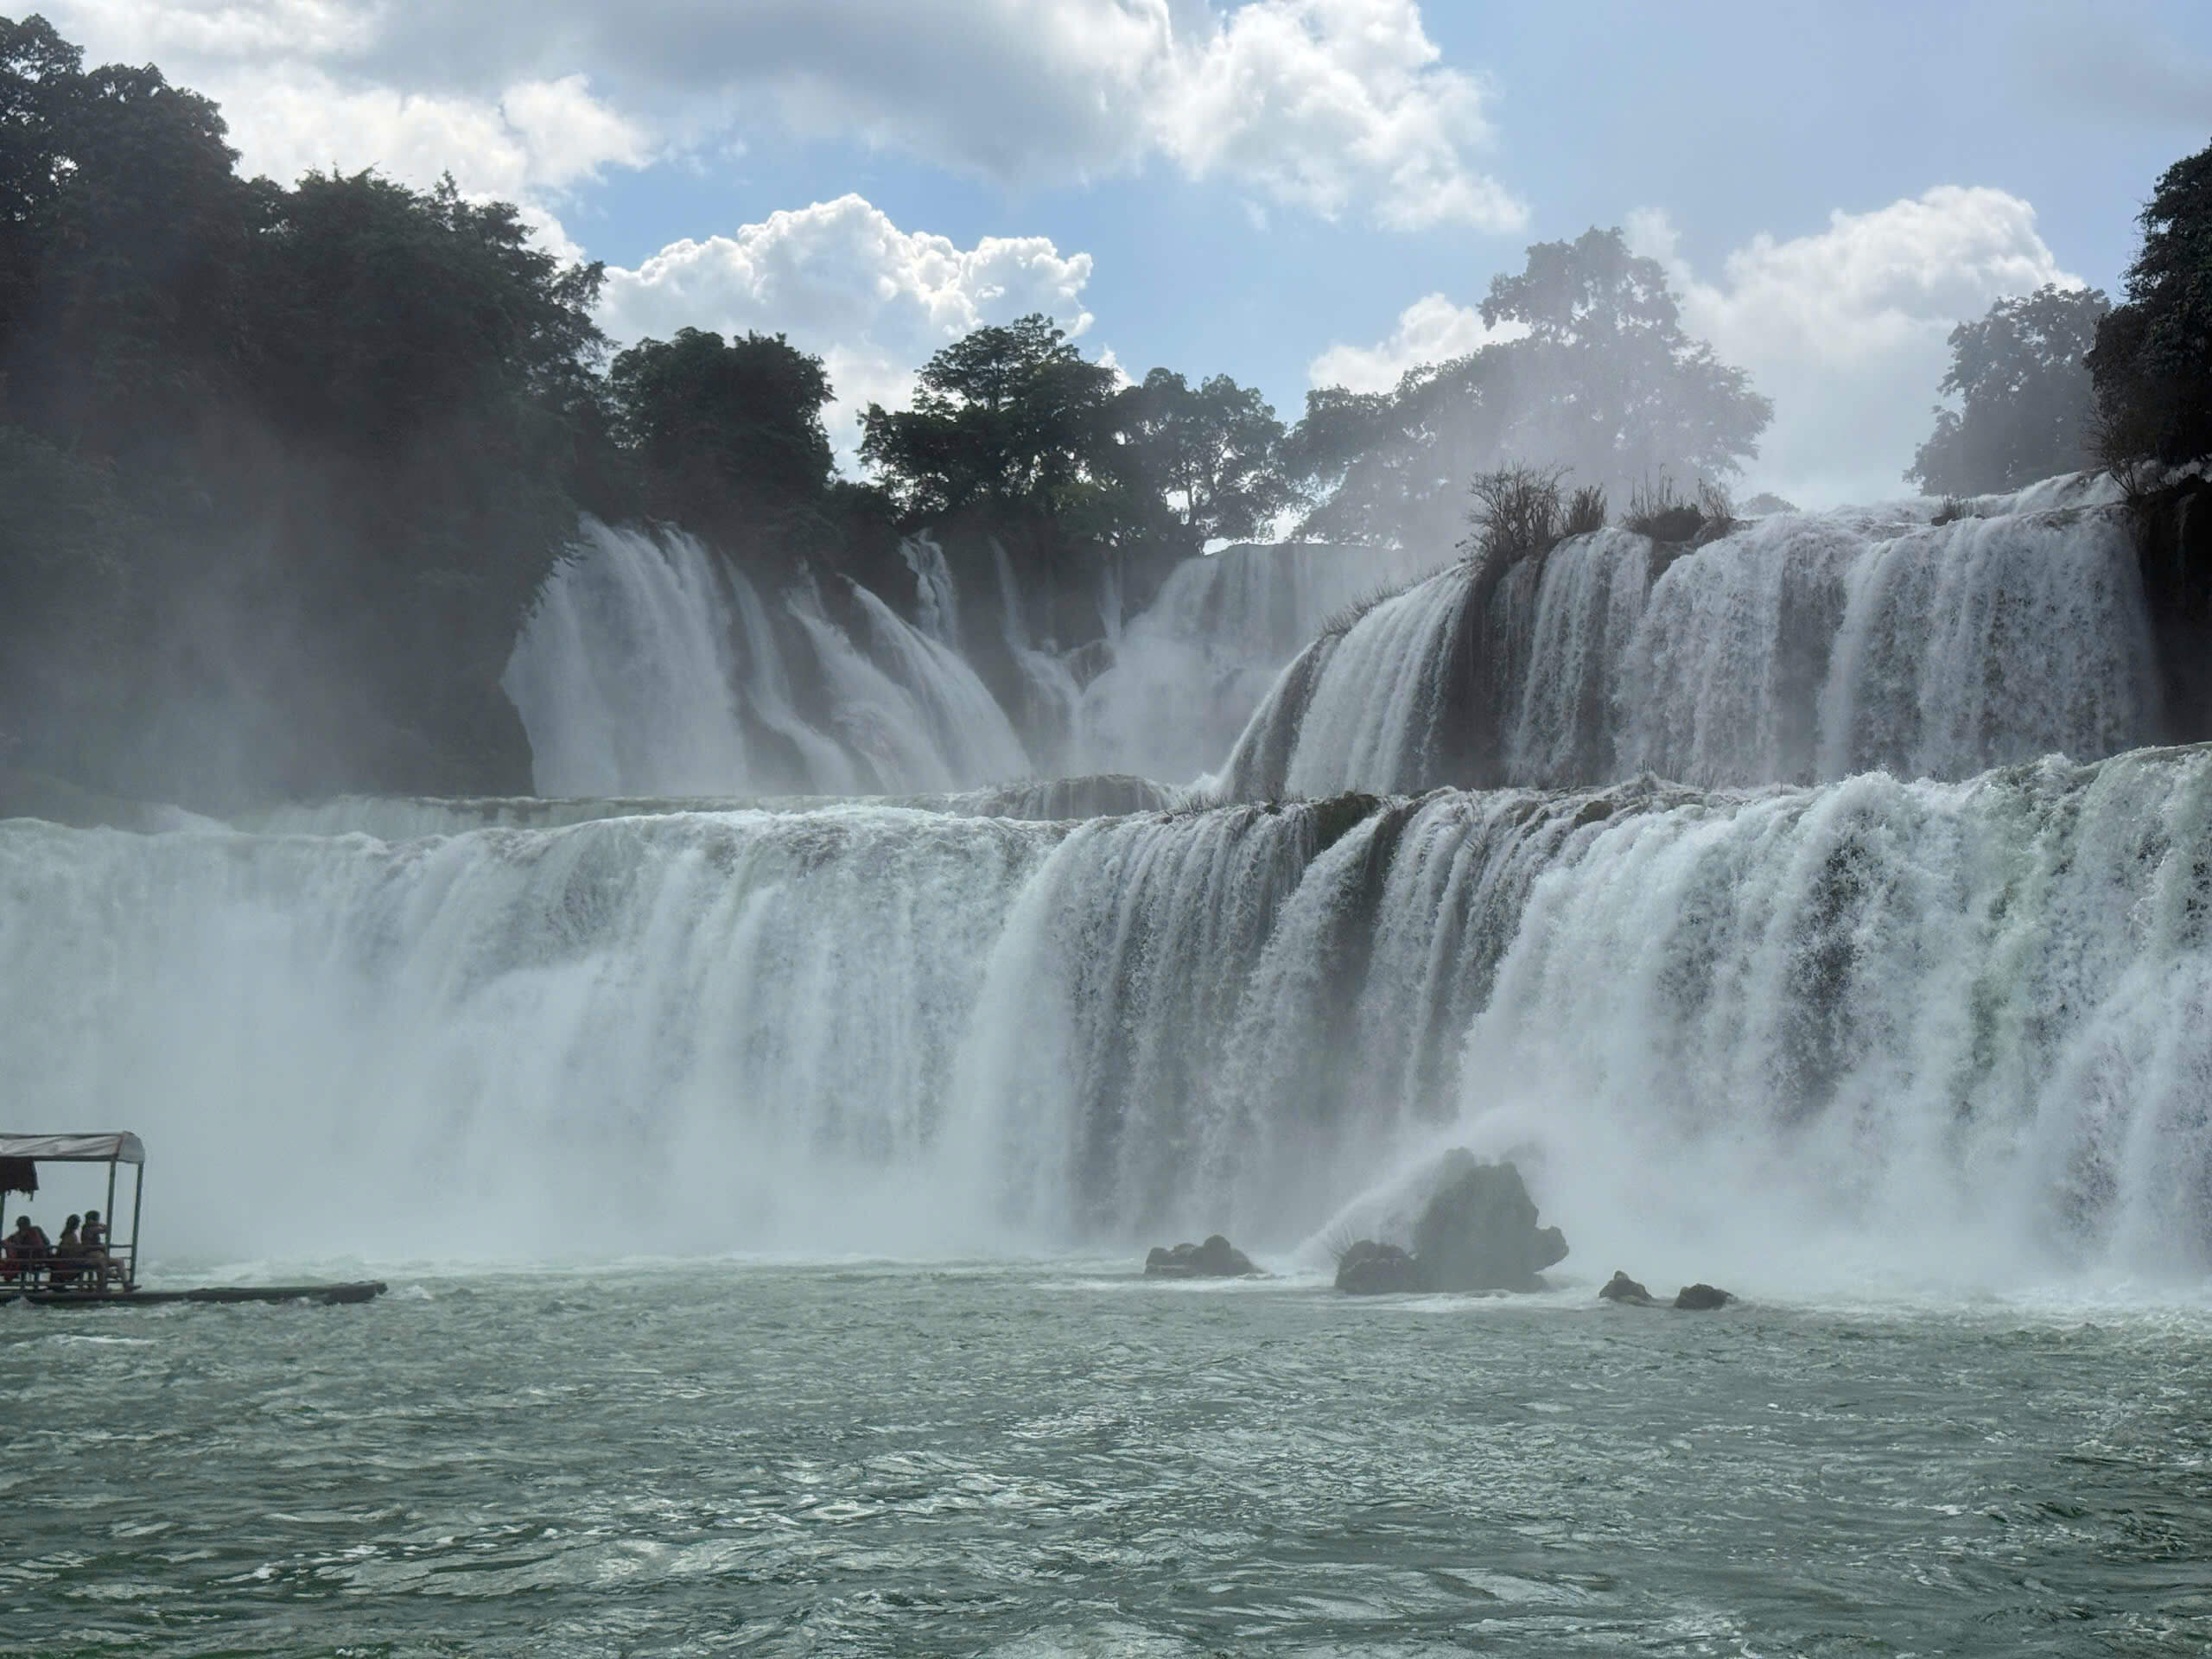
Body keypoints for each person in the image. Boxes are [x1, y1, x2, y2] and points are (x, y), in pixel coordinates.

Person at [3, 1214, 48, 1282]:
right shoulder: (17, 1235)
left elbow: (41, 1245)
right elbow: (7, 1241)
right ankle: (24, 1284)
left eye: (21, 1226)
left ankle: (29, 1285)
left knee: (18, 1264)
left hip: (35, 1259)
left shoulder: (34, 1232)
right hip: (25, 1260)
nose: (20, 1228)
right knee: (15, 1263)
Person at [48, 1214, 81, 1286]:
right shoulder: (71, 1236)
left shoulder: (67, 1235)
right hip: (67, 1263)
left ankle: (56, 1284)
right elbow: (67, 1251)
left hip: (64, 1261)